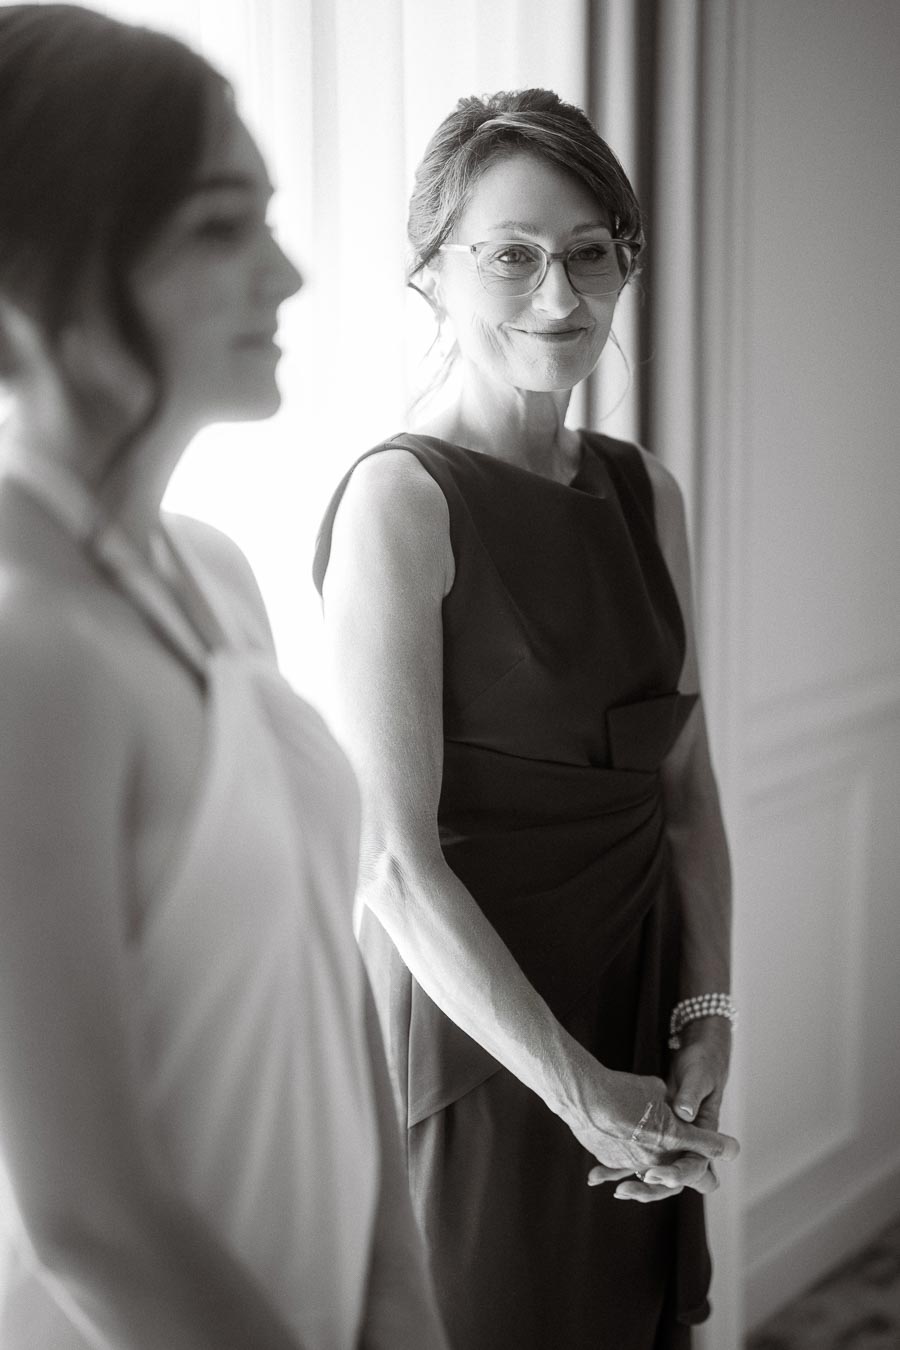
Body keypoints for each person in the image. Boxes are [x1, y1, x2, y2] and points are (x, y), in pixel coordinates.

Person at [0, 7, 449, 1349]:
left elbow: (325, 959)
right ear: (48, 275)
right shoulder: (28, 652)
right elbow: (90, 1211)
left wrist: (398, 1299)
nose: (292, 273)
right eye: (219, 225)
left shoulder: (214, 570)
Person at [314, 88, 740, 1349]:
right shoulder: (403, 501)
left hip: (643, 1010)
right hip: (484, 1045)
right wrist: (572, 1092)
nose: (560, 298)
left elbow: (687, 787)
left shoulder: (643, 490)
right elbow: (391, 861)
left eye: (590, 252)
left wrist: (707, 1010)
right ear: (433, 278)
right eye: (511, 256)